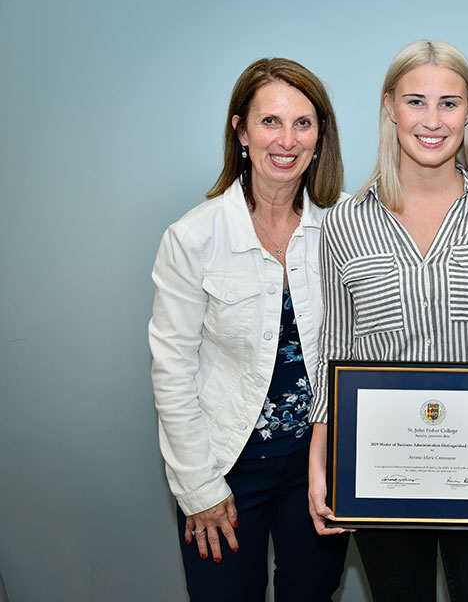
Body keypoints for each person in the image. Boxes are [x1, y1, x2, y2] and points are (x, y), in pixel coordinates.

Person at [306, 39, 468, 602]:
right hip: (382, 475)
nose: (432, 121)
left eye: (449, 104)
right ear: (389, 107)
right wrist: (319, 465)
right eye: (416, 102)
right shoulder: (343, 223)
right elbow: (334, 352)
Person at [148, 58, 349, 601]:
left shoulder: (345, 229)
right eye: (270, 122)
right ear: (240, 130)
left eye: (303, 123)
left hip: (320, 463)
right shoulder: (193, 238)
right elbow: (172, 375)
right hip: (226, 469)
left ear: (319, 136)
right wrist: (198, 489)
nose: (286, 140)